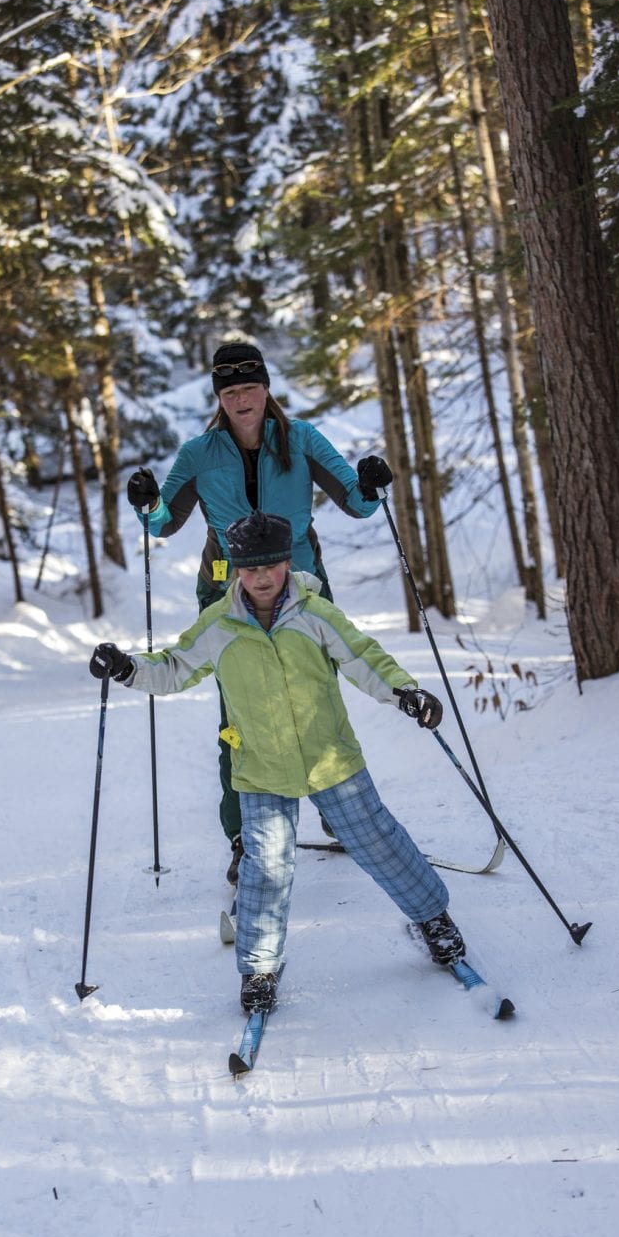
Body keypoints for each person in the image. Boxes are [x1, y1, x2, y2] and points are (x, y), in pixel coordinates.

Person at [89, 510, 465, 1016]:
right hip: (261, 767)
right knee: (264, 868)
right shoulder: (219, 625)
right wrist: (128, 668)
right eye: (250, 568)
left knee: (378, 840)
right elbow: (176, 667)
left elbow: (362, 656)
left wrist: (406, 693)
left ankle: (432, 917)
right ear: (235, 569)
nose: (262, 578)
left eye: (271, 566)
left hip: (329, 756)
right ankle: (260, 968)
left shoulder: (316, 613)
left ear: (287, 562)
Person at [126, 341, 393, 886]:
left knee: (317, 702)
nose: (241, 399)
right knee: (239, 717)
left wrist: (370, 481)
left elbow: (359, 502)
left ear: (266, 388)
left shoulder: (302, 439)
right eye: (230, 392)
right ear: (219, 399)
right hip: (228, 594)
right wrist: (146, 500)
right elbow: (162, 524)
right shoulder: (199, 454)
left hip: (301, 588)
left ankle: (338, 809)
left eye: (249, 387)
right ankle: (244, 834)